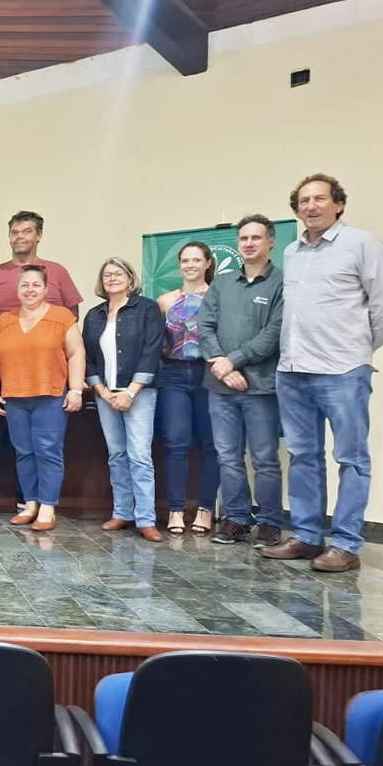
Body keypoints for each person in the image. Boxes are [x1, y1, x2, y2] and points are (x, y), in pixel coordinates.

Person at [261, 173, 383, 572]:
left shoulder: (363, 243)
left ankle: (346, 545)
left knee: (351, 458)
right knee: (303, 455)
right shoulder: (291, 252)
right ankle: (306, 537)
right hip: (293, 369)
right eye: (304, 201)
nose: (311, 206)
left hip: (342, 370)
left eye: (320, 198)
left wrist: (360, 350)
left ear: (339, 204)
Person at [0, 211, 83, 511]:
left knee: (45, 445)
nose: (20, 237)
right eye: (15, 232)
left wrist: (74, 385)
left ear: (39, 235)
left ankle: (32, 501)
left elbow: (72, 320)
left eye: (27, 231)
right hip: (1, 371)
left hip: (46, 376)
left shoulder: (57, 272)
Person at [199, 215, 285, 548]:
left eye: (256, 238)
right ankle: (236, 518)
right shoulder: (222, 282)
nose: (248, 244)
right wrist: (222, 366)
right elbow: (205, 326)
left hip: (260, 387)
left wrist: (233, 360)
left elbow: (274, 333)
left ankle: (269, 522)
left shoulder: (281, 283)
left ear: (271, 242)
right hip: (220, 387)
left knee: (264, 458)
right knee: (227, 456)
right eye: (243, 238)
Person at [0, 265, 86, 533]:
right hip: (15, 397)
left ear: (46, 289)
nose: (30, 290)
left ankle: (47, 508)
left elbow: (76, 354)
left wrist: (76, 389)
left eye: (36, 285)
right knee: (24, 453)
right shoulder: (4, 321)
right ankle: (30, 505)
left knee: (48, 451)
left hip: (50, 395)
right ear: (17, 289)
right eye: (25, 285)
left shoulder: (62, 317)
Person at [82, 257, 165, 541]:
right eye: (107, 275)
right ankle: (122, 512)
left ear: (130, 279)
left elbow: (152, 351)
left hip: (139, 393)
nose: (113, 278)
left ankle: (146, 519)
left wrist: (130, 391)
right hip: (106, 395)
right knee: (116, 454)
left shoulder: (147, 309)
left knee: (139, 455)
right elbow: (88, 358)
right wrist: (102, 391)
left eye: (119, 273)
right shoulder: (94, 314)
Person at [156, 241, 220, 535]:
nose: (190, 265)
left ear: (208, 263)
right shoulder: (165, 301)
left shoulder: (219, 297)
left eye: (196, 260)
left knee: (210, 445)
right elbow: (157, 342)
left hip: (209, 375)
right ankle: (176, 510)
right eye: (185, 260)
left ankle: (205, 509)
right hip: (173, 376)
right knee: (176, 443)